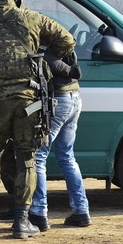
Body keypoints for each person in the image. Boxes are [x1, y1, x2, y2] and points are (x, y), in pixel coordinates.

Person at [0, 0, 75, 238]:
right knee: (26, 157)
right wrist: (45, 57)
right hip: (30, 103)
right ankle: (21, 222)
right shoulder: (34, 18)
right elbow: (67, 40)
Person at [27, 50, 92, 231]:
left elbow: (51, 64)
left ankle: (39, 213)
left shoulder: (44, 45)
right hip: (74, 98)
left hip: (58, 100)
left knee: (38, 157)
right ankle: (81, 211)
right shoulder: (63, 41)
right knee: (67, 157)